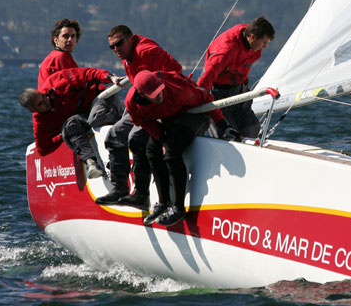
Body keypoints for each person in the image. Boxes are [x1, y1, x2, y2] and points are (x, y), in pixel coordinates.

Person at [126, 70, 237, 226]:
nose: (159, 95)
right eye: (154, 94)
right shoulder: (132, 102)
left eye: (160, 90)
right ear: (142, 94)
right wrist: (162, 138)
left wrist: (222, 124)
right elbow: (143, 121)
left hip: (195, 115)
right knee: (152, 150)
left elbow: (207, 99)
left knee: (172, 152)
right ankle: (164, 202)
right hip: (170, 119)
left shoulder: (178, 90)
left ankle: (178, 207)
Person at [96, 25, 183, 210]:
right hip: (141, 104)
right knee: (114, 134)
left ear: (130, 38)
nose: (116, 49)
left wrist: (160, 99)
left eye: (119, 43)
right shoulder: (127, 56)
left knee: (135, 137)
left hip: (158, 105)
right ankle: (120, 188)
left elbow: (176, 70)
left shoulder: (146, 51)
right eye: (112, 47)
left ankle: (141, 194)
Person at [19, 68, 122, 179]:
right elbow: (43, 148)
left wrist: (110, 77)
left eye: (43, 96)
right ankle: (91, 164)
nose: (47, 100)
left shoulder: (56, 81)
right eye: (41, 104)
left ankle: (126, 121)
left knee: (95, 119)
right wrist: (63, 135)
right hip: (84, 117)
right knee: (69, 126)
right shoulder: (40, 121)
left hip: (100, 98)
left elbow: (87, 73)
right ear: (33, 110)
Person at [197, 16, 274, 138]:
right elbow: (206, 78)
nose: (265, 47)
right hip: (218, 93)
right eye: (264, 42)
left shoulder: (254, 45)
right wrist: (200, 100)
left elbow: (244, 69)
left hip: (238, 91)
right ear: (252, 37)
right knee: (228, 135)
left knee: (252, 131)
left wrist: (246, 89)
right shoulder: (225, 50)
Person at [38, 19, 81, 88]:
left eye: (73, 36)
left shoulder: (54, 56)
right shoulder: (60, 57)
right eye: (65, 36)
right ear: (56, 40)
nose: (70, 39)